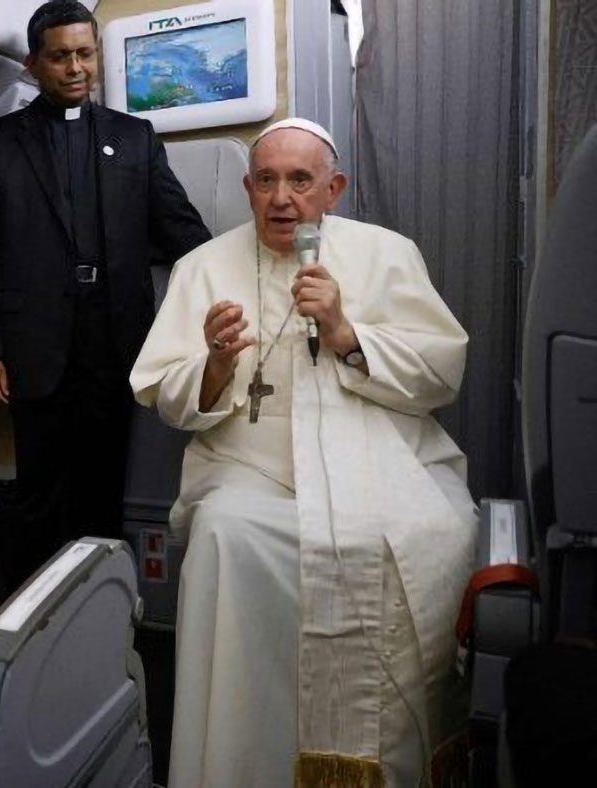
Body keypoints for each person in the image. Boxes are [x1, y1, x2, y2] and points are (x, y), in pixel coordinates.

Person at [129, 118, 475, 787]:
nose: (281, 197)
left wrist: (346, 332)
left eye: (299, 180)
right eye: (266, 180)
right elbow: (165, 394)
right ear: (248, 187)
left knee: (418, 534)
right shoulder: (201, 267)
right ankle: (236, 763)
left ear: (333, 188)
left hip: (375, 455)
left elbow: (441, 374)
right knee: (225, 534)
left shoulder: (388, 254)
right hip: (248, 467)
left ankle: (383, 765)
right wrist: (217, 364)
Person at [0, 1, 210, 574]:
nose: (75, 68)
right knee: (40, 494)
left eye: (85, 54)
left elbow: (181, 230)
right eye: (60, 56)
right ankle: (36, 619)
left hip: (114, 338)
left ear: (97, 55)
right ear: (33, 64)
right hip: (32, 346)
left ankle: (102, 614)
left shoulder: (135, 138)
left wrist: (245, 276)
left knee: (102, 492)